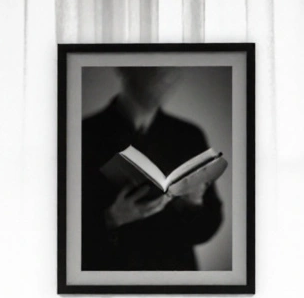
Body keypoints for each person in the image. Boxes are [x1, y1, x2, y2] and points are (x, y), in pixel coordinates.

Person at [81, 67, 223, 271]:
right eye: (156, 66)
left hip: (175, 278)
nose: (168, 74)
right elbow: (59, 230)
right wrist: (111, 218)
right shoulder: (84, 134)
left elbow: (207, 228)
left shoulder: (189, 135)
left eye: (173, 66)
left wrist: (194, 202)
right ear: (125, 69)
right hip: (110, 277)